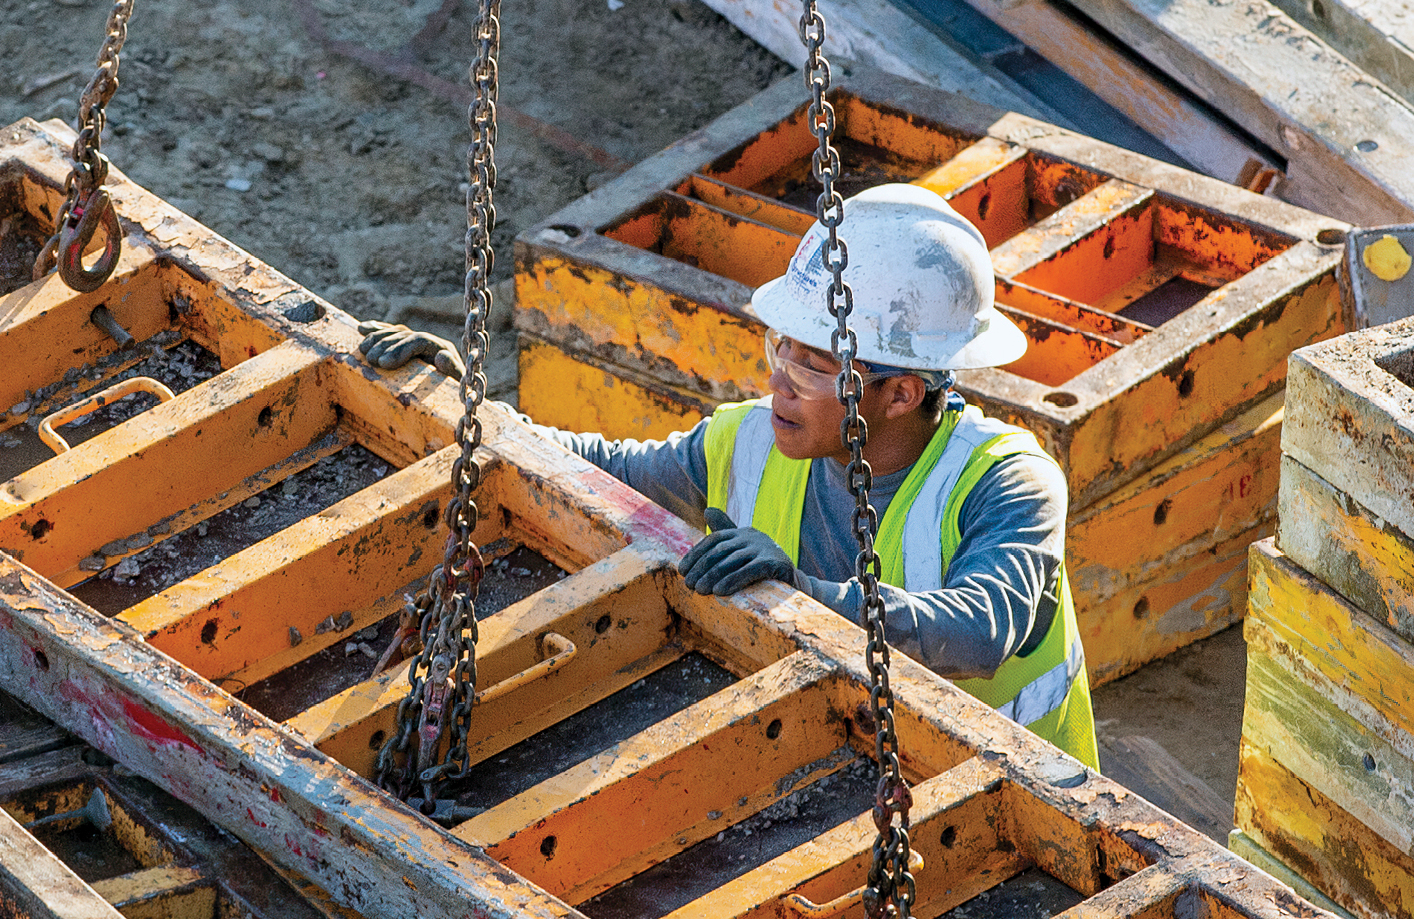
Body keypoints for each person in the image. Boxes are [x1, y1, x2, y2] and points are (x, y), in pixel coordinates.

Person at [358, 183, 1097, 770]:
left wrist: (807, 598)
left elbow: (979, 629)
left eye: (812, 364)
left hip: (1007, 800)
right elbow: (605, 470)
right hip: (847, 760)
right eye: (782, 348)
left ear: (901, 393)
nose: (778, 380)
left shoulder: (1006, 480)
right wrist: (472, 411)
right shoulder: (746, 440)